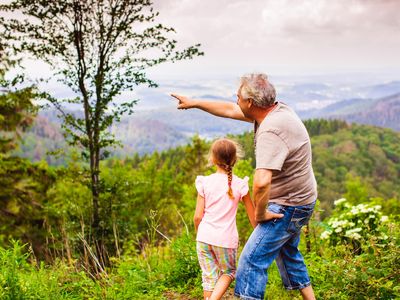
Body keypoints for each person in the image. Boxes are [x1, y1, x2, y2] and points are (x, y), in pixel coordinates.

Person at [171, 73, 317, 300]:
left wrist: (260, 214)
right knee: (288, 252)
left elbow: (260, 182)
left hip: (289, 205)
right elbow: (229, 110)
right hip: (302, 200)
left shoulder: (270, 130)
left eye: (237, 96)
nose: (235, 100)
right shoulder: (276, 111)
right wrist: (195, 103)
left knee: (250, 261)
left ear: (250, 102)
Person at [194, 138, 257, 300]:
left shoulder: (205, 182)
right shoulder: (239, 185)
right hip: (226, 240)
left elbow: (197, 216)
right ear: (235, 159)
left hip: (203, 237)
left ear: (213, 159)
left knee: (208, 277)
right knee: (228, 272)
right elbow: (253, 217)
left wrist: (198, 233)